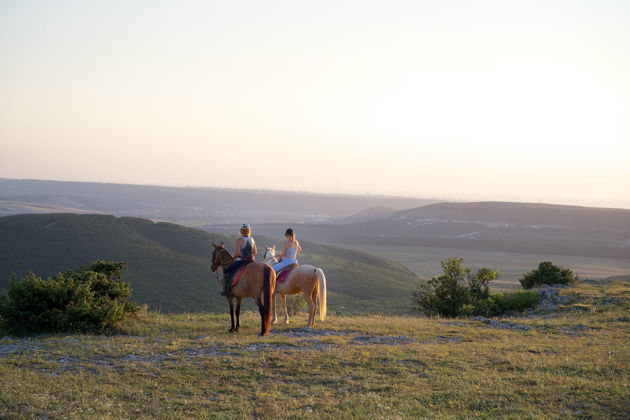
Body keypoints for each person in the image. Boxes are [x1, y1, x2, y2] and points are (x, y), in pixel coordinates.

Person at [219, 223, 257, 296]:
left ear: (241, 231)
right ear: (249, 231)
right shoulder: (252, 239)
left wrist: (232, 259)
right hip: (251, 261)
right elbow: (255, 252)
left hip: (242, 261)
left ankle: (225, 289)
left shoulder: (239, 239)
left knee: (227, 271)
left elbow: (237, 254)